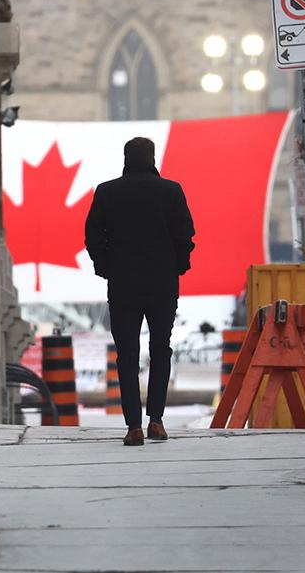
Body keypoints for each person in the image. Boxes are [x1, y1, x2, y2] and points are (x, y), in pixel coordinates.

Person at [84, 137, 195, 446]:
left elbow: (93, 236)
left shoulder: (107, 192)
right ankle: (156, 421)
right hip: (162, 283)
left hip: (123, 284)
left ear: (126, 158)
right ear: (152, 158)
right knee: (161, 349)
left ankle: (133, 426)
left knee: (127, 355)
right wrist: (178, 266)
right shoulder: (171, 191)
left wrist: (106, 266)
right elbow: (185, 234)